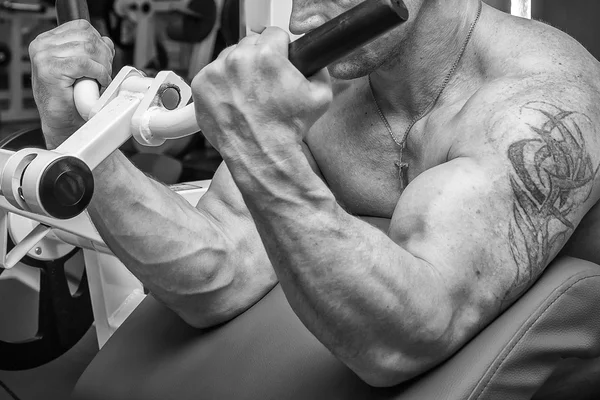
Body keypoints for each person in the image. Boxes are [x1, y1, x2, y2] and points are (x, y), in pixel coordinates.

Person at [28, 0, 600, 388]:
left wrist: (260, 144)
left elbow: (408, 338)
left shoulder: (539, 106)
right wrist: (78, 148)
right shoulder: (339, 93)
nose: (300, 15)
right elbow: (217, 272)